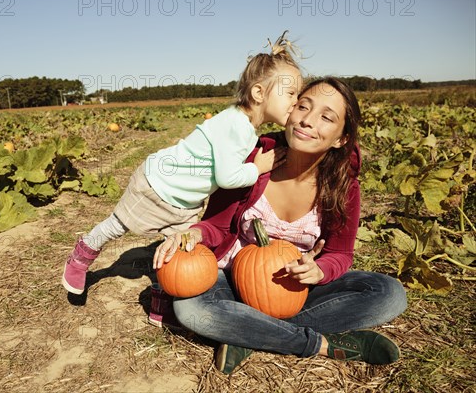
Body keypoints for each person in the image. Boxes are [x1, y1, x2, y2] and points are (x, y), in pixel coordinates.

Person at [153, 77, 408, 373]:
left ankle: (246, 331)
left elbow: (341, 253)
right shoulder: (255, 162)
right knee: (193, 310)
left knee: (388, 293)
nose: (308, 121)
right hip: (234, 281)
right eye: (303, 106)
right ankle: (319, 345)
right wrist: (193, 233)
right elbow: (218, 226)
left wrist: (320, 270)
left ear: (341, 138)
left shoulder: (343, 187)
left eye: (326, 117)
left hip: (298, 289)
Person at [62, 31, 303, 299]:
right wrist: (256, 169)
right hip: (158, 185)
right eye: (290, 93)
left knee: (180, 250)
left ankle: (164, 296)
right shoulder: (233, 125)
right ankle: (82, 255)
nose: (296, 101)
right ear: (259, 93)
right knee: (117, 225)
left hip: (186, 203)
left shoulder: (247, 128)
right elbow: (226, 177)